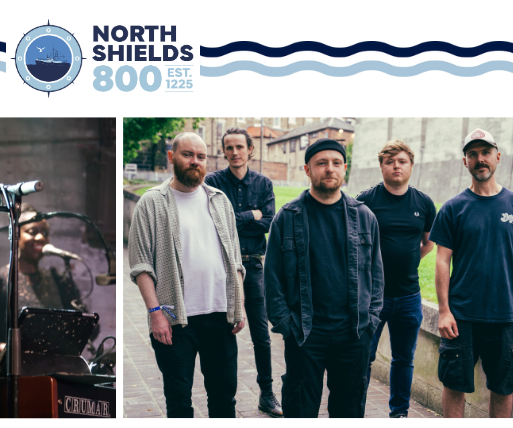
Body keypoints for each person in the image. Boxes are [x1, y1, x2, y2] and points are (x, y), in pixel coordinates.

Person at [129, 132, 245, 418]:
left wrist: (238, 305)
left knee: (223, 398)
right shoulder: (151, 202)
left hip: (220, 317)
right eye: (188, 154)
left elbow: (235, 261)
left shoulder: (220, 201)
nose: (195, 161)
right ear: (172, 157)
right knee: (179, 402)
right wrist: (156, 313)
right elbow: (141, 265)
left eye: (201, 157)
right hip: (174, 319)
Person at [265, 138, 384, 418]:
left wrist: (371, 321)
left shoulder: (365, 217)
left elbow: (377, 276)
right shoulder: (287, 217)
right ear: (308, 170)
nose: (329, 169)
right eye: (321, 163)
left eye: (336, 163)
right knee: (300, 410)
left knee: (349, 410)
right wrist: (287, 326)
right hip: (306, 333)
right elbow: (272, 279)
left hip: (353, 332)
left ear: (344, 169)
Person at [429, 128, 513, 418]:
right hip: (462, 317)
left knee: (503, 388)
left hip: (506, 316)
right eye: (472, 154)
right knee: (454, 385)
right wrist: (444, 311)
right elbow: (441, 262)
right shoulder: (452, 208)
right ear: (465, 162)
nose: (479, 159)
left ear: (497, 157)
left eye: (485, 152)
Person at [204, 127, 281, 417]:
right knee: (223, 332)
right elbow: (215, 224)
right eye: (229, 148)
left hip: (254, 265)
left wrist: (245, 220)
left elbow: (270, 222)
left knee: (261, 334)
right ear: (223, 151)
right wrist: (252, 215)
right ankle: (226, 400)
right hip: (221, 266)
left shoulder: (264, 183)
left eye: (240, 147)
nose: (235, 152)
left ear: (250, 149)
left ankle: (267, 393)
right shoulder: (212, 182)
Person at [356, 140, 436, 418]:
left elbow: (428, 242)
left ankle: (399, 414)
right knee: (362, 358)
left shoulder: (423, 202)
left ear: (411, 166)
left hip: (409, 296)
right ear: (381, 166)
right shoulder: (366, 200)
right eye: (390, 162)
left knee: (404, 359)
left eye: (401, 161)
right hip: (372, 298)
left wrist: (411, 259)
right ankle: (355, 411)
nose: (396, 166)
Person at [0, 204, 91, 378]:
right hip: (8, 380)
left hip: (52, 377)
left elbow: (85, 328)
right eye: (32, 232)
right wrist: (5, 351)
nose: (40, 237)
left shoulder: (58, 280)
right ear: (16, 236)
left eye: (45, 233)